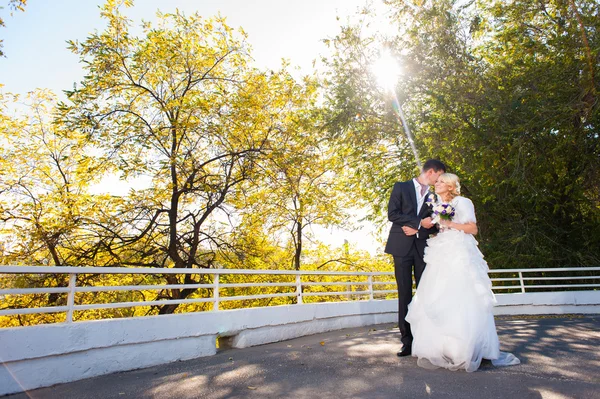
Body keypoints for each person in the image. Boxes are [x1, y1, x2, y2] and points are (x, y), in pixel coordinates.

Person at [405, 173, 520, 371]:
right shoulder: (437, 203)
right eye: (437, 182)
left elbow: (472, 228)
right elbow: (436, 226)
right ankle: (446, 348)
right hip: (441, 250)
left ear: (450, 186)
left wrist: (448, 223)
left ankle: (468, 348)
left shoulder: (463, 202)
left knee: (462, 295)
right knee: (440, 295)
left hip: (459, 251)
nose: (437, 184)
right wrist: (427, 224)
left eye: (440, 182)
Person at [384, 159, 446, 357]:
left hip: (422, 249)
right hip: (400, 248)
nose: (440, 180)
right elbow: (392, 214)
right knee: (404, 294)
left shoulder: (434, 198)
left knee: (424, 295)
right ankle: (407, 342)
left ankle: (423, 339)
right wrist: (419, 222)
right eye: (439, 176)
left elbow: (436, 225)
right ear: (430, 172)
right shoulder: (401, 187)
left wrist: (420, 227)